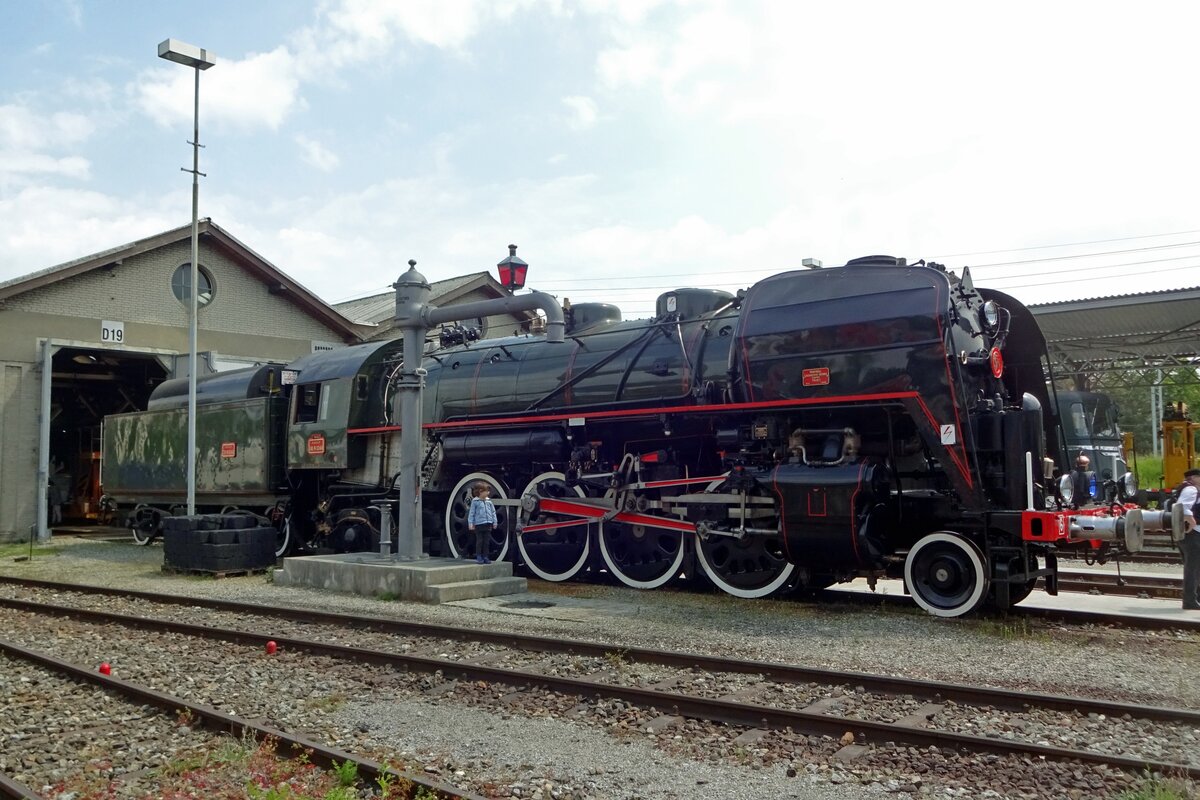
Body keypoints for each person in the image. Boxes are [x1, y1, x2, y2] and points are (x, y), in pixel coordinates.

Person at [1177, 468, 1200, 611]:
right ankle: (1190, 601)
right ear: (1194, 478)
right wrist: (1191, 520)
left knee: (1195, 568)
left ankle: (1194, 598)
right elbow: (1182, 507)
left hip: (1191, 534)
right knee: (1192, 568)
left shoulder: (1190, 488)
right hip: (1192, 534)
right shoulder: (1191, 489)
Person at [466, 481, 497, 565]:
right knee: (480, 541)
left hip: (488, 523)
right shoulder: (475, 502)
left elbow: (493, 512)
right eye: (486, 491)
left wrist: (494, 522)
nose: (488, 493)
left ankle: (486, 556)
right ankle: (479, 556)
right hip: (479, 524)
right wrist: (470, 524)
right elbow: (471, 513)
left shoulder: (489, 501)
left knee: (486, 542)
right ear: (480, 491)